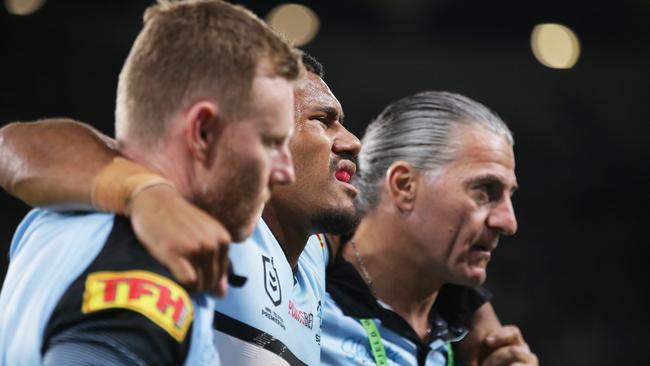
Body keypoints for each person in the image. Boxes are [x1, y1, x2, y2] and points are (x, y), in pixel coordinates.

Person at [0, 56, 532, 364]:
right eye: (325, 120)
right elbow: (18, 145)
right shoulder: (209, 212)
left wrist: (480, 325)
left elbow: (412, 245)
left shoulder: (312, 255)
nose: (353, 141)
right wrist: (145, 194)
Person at [0, 0, 302, 364]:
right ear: (203, 132)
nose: (286, 171)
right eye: (271, 142)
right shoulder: (145, 260)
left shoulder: (54, 218)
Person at [321, 91, 538, 365]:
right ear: (404, 186)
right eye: (484, 191)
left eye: (509, 195)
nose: (508, 222)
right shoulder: (304, 286)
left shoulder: (473, 342)